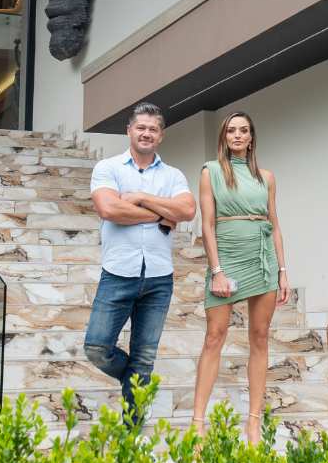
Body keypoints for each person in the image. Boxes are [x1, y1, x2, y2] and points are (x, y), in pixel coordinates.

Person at [85, 102, 196, 419]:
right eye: (141, 127)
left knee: (145, 357)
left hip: (159, 278)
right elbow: (109, 209)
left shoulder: (173, 175)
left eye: (153, 129)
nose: (147, 133)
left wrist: (141, 198)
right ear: (129, 131)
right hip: (118, 273)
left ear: (161, 135)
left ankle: (131, 430)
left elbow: (187, 211)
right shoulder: (108, 168)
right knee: (97, 348)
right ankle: (133, 380)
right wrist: (161, 214)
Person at [190, 111, 289, 444]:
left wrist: (282, 270)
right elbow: (207, 225)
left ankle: (253, 423)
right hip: (228, 259)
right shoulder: (211, 172)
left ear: (251, 137)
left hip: (262, 261)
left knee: (260, 337)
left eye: (243, 130)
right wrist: (216, 270)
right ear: (224, 136)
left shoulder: (267, 177)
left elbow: (275, 224)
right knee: (214, 336)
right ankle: (197, 422)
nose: (237, 135)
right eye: (231, 130)